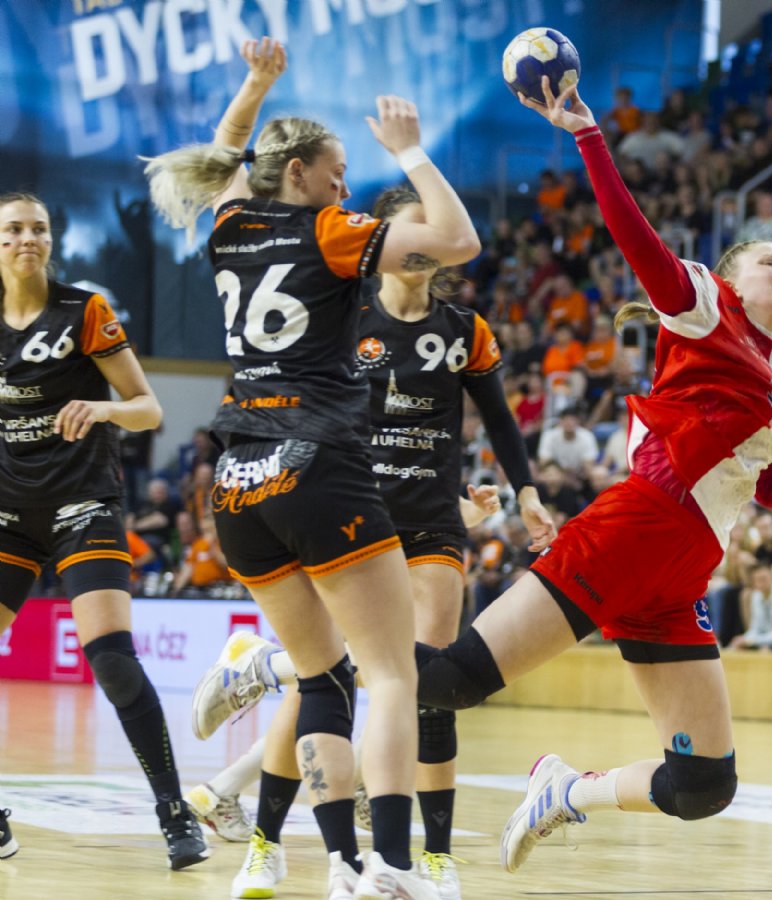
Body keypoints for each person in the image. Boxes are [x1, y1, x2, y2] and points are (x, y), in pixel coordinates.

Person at [430, 77, 772, 872]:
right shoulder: (704, 306)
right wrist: (588, 137)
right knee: (453, 681)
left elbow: (767, 489)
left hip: (685, 568)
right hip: (634, 528)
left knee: (703, 785)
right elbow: (636, 241)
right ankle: (278, 662)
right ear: (732, 279)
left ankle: (565, 791)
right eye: (770, 260)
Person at [143, 37, 478, 899]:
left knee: (325, 673)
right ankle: (393, 864)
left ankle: (342, 866)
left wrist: (254, 84)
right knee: (392, 673)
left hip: (237, 480)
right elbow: (457, 240)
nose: (345, 186)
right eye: (336, 172)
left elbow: (226, 154)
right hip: (318, 463)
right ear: (297, 173)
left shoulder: (229, 225)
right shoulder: (327, 231)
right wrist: (410, 151)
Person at [188, 185, 555, 899]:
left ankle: (432, 857)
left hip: (432, 523)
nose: (423, 244)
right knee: (333, 676)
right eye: (412, 228)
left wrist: (527, 492)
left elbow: (499, 419)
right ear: (384, 239)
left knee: (424, 680)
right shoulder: (341, 312)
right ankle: (264, 841)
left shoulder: (464, 329)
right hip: (349, 509)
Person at [0, 194, 207, 867]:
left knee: (113, 660)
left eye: (38, 228)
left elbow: (148, 409)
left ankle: (175, 812)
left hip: (83, 503)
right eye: (12, 230)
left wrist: (102, 407)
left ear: (51, 240)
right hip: (10, 512)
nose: (26, 239)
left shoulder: (83, 311)